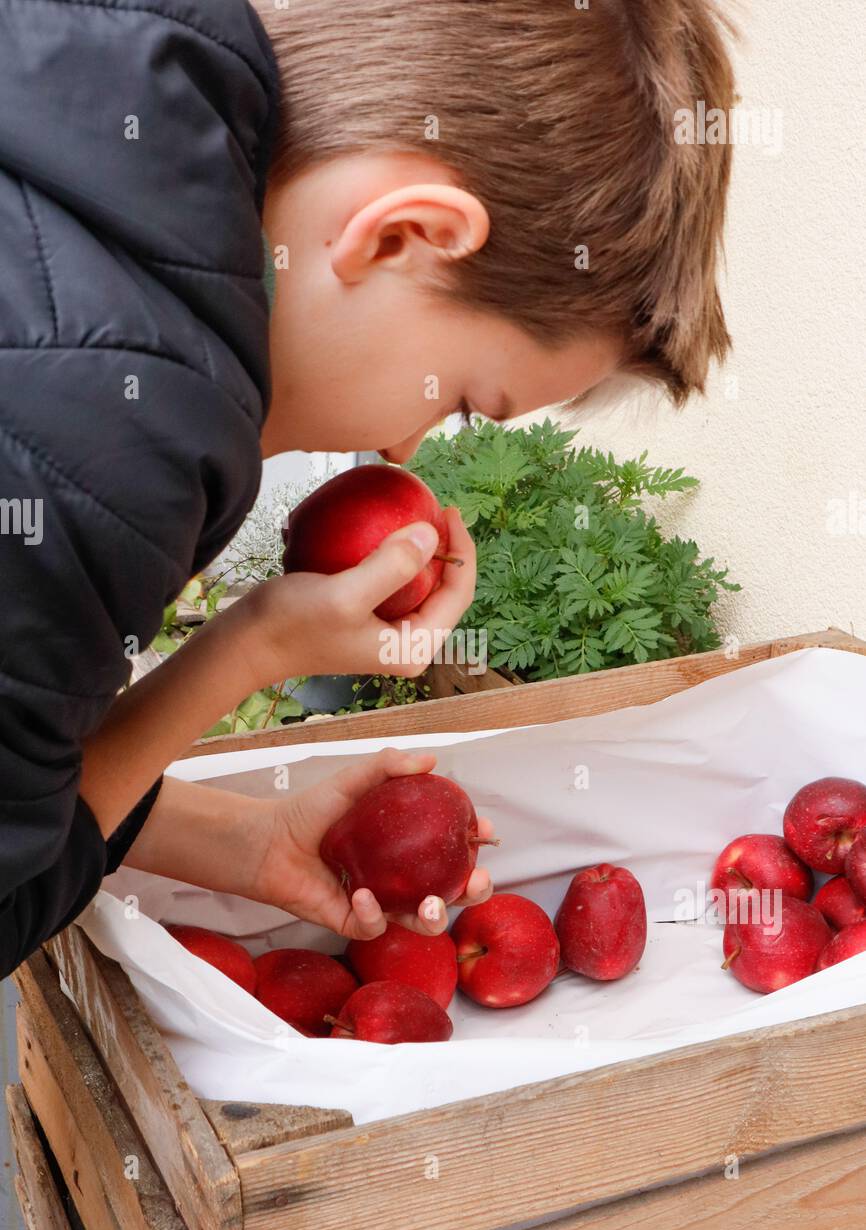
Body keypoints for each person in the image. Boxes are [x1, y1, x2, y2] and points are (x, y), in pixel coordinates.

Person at [0, 0, 734, 978]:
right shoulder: (123, 429)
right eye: (464, 403)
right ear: (402, 235)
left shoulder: (93, 66)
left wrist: (242, 842)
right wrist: (252, 646)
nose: (404, 445)